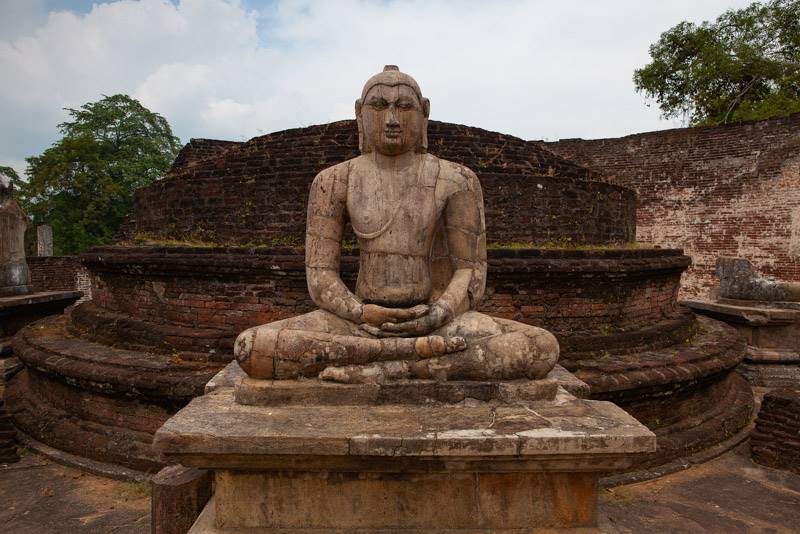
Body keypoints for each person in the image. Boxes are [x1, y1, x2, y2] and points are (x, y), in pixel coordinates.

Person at [234, 66, 558, 383]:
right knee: (251, 347)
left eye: (404, 107)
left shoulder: (456, 179)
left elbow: (470, 272)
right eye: (379, 106)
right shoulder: (333, 180)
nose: (391, 119)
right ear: (360, 114)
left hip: (435, 321)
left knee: (542, 346)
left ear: (424, 113)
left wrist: (439, 313)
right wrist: (360, 313)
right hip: (358, 324)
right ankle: (418, 357)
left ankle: (395, 367)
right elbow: (320, 275)